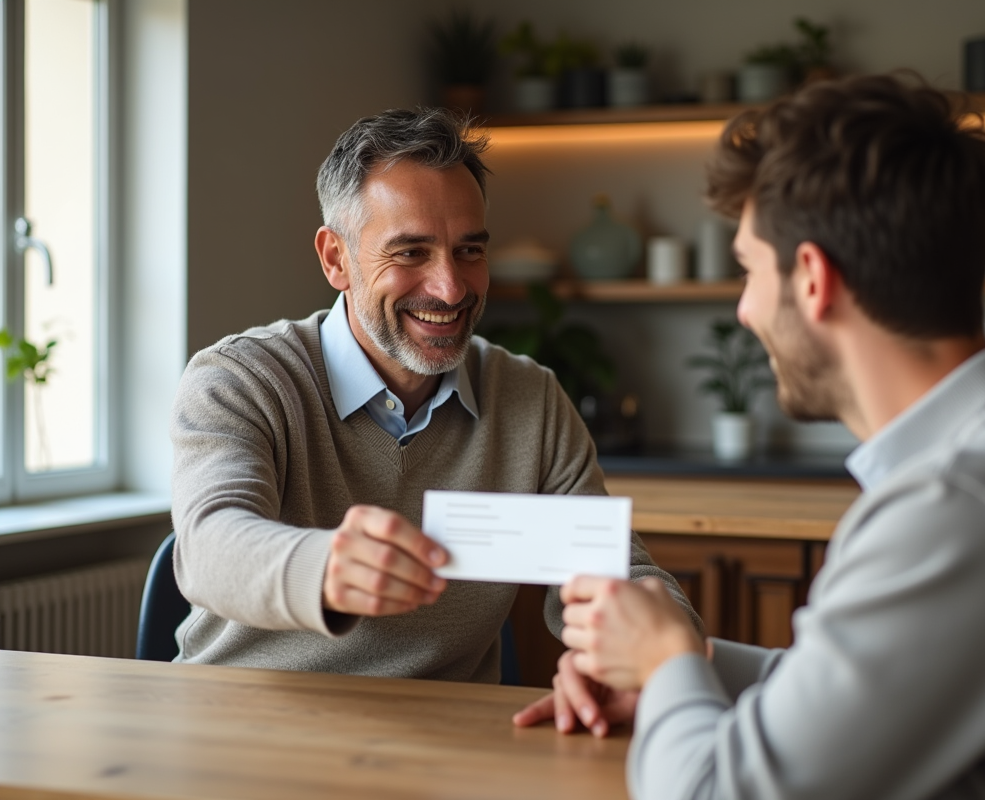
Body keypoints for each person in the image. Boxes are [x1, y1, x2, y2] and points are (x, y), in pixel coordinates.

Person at [517, 74, 985, 798]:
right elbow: (864, 691)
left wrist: (665, 666)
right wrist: (694, 665)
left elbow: (716, 791)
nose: (745, 312)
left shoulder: (961, 506)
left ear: (813, 278)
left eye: (748, 270)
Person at [169, 107, 699, 680]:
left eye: (469, 251)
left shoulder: (529, 400)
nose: (450, 288)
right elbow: (208, 547)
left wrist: (666, 642)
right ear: (335, 259)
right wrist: (326, 568)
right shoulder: (242, 380)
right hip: (242, 732)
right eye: (411, 252)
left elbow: (616, 575)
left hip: (446, 744)